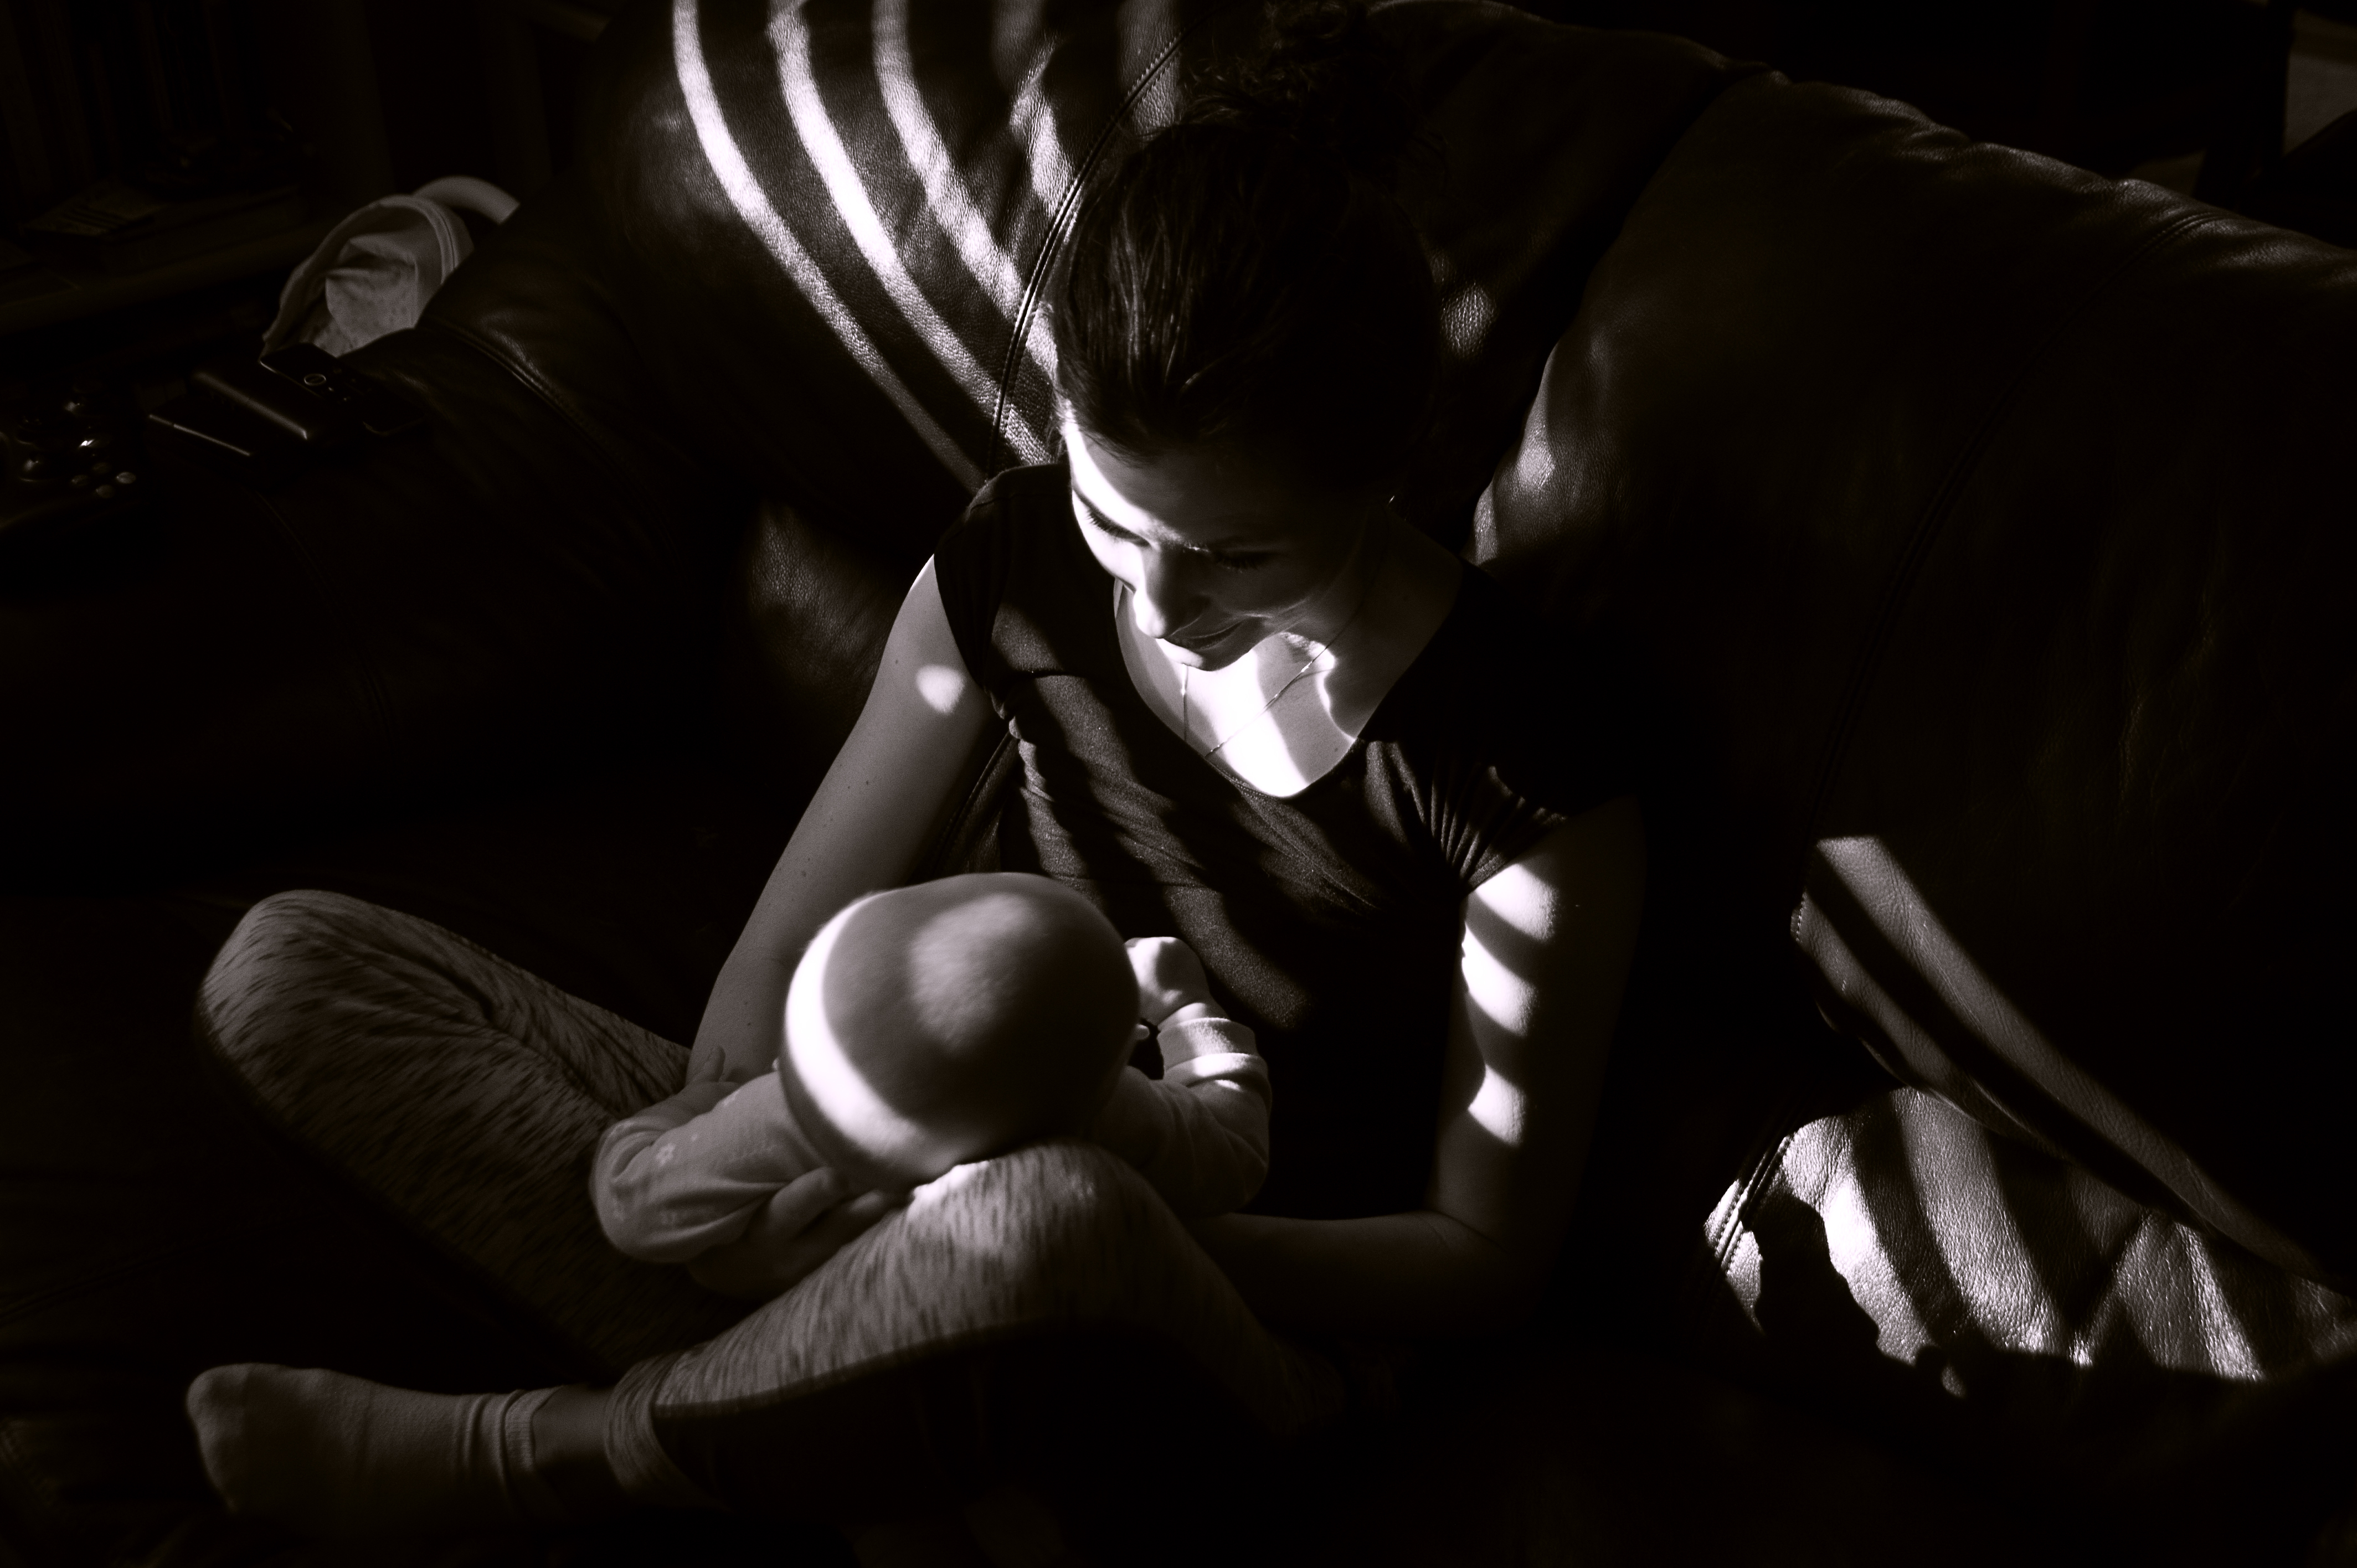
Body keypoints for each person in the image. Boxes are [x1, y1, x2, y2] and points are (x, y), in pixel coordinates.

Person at [182, 1, 1646, 1556]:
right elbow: (779, 957)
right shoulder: (1010, 557)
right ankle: (843, 1429)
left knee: (1037, 1218)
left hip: (1215, 1308)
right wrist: (753, 1165)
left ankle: (560, 1453)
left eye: (1237, 557)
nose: (1157, 605)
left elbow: (1481, 1263)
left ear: (1387, 470)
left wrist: (1036, 1205)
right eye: (1116, 519)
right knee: (295, 969)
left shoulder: (1527, 764)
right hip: (892, 1169)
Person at [596, 873, 1274, 1278]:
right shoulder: (1112, 1114)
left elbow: (632, 1209)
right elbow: (1236, 1151)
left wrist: (682, 1110)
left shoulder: (776, 1121)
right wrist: (1189, 1008)